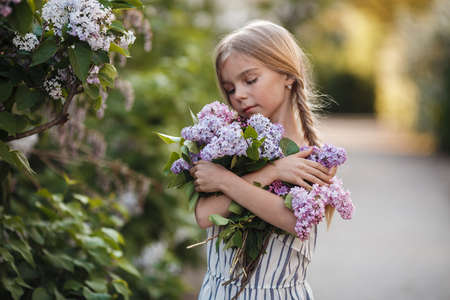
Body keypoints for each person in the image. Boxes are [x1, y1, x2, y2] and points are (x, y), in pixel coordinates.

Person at [190, 20, 338, 300]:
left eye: (250, 80)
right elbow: (204, 215)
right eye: (230, 88)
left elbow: (295, 222)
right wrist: (272, 172)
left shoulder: (315, 156)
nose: (239, 95)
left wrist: (225, 180)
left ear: (287, 75)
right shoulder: (228, 145)